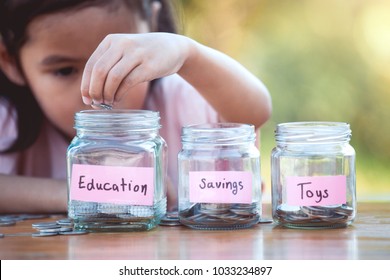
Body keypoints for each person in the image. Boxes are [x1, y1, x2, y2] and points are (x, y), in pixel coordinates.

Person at [0, 0, 272, 213]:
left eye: (121, 64)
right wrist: (87, 190)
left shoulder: (180, 98)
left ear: (152, 26)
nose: (98, 89)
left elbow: (253, 113)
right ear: (10, 61)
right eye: (65, 71)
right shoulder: (10, 119)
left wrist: (188, 54)